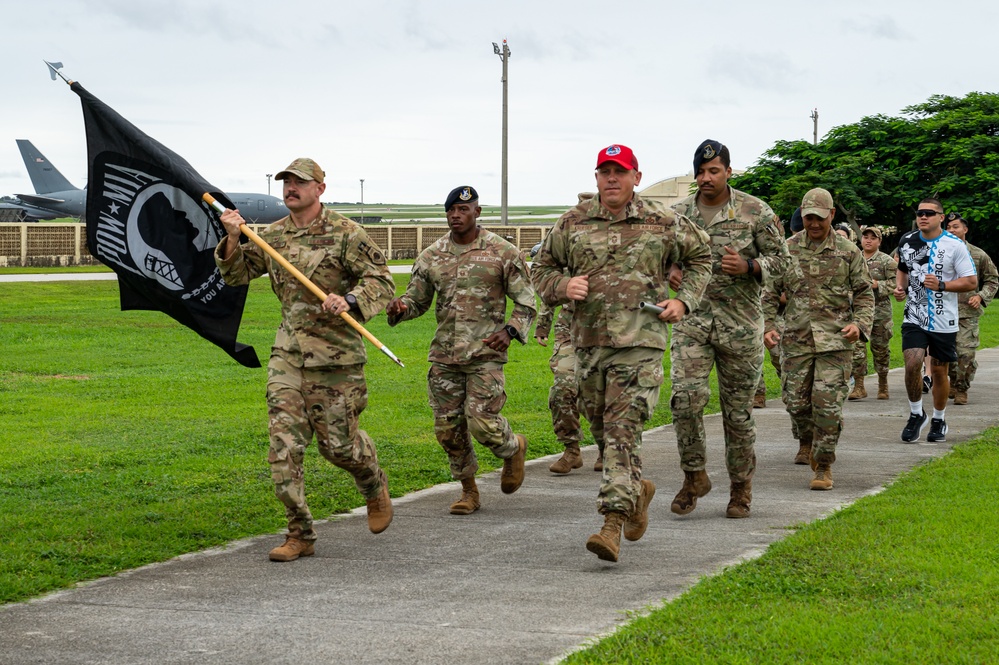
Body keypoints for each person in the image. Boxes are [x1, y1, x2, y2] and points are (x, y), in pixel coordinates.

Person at [533, 144, 713, 563]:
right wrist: (562, 287)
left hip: (641, 343)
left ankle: (611, 523)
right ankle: (639, 490)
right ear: (596, 178)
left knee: (620, 432)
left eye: (620, 171)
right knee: (601, 427)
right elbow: (540, 267)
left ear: (636, 176)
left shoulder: (661, 220)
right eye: (604, 172)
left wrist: (683, 300)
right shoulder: (572, 222)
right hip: (589, 344)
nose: (611, 179)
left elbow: (702, 257)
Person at [215, 158, 395, 562]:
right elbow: (236, 274)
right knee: (283, 446)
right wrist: (231, 237)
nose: (291, 187)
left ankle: (373, 482)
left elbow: (381, 280)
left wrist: (349, 299)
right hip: (289, 355)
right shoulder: (272, 236)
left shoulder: (347, 233)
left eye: (300, 182)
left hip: (336, 358)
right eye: (287, 182)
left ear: (320, 189)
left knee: (339, 448)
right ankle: (300, 534)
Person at [386, 185, 535, 515]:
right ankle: (469, 491)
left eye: (463, 209)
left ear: (477, 212)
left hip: (484, 353)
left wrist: (510, 331)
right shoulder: (432, 256)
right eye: (451, 210)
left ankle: (512, 448)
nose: (456, 215)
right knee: (448, 429)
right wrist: (400, 307)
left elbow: (527, 301)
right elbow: (417, 301)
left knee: (482, 423)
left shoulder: (502, 251)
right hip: (445, 355)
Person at [668, 140, 790, 519]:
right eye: (700, 172)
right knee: (685, 401)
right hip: (693, 322)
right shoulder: (679, 215)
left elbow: (785, 263)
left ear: (728, 171)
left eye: (714, 171)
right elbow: (661, 259)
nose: (706, 178)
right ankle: (694, 476)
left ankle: (740, 489)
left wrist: (752, 267)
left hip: (740, 326)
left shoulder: (755, 211)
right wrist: (668, 271)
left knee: (737, 414)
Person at [764, 188, 873, 490]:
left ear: (832, 215)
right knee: (796, 404)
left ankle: (824, 465)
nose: (813, 224)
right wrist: (768, 325)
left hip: (836, 343)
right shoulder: (787, 250)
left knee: (826, 406)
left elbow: (865, 294)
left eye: (820, 218)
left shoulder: (849, 251)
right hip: (796, 340)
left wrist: (859, 325)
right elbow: (769, 293)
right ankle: (806, 439)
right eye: (808, 217)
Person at [894, 198, 977, 443]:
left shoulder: (955, 245)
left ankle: (939, 418)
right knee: (912, 363)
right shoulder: (907, 241)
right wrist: (900, 288)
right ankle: (916, 413)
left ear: (941, 218)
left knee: (940, 371)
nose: (923, 217)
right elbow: (903, 268)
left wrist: (942, 285)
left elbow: (971, 282)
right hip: (914, 315)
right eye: (920, 213)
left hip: (943, 318)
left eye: (929, 213)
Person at [943, 213, 997, 405]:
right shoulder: (939, 253)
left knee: (965, 353)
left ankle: (961, 388)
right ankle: (952, 381)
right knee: (946, 353)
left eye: (955, 227)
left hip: (967, 313)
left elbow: (992, 280)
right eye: (948, 227)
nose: (951, 230)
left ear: (965, 229)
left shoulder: (978, 255)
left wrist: (980, 296)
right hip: (943, 311)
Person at [533, 285, 586, 474]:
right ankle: (571, 449)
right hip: (570, 329)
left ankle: (607, 449)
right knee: (562, 389)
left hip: (610, 332)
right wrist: (543, 325)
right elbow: (551, 286)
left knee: (602, 391)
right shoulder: (566, 255)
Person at [848, 226, 898, 400]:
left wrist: (879, 285)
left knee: (880, 349)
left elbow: (897, 283)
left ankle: (883, 384)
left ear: (879, 241)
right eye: (865, 237)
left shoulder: (887, 261)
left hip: (880, 312)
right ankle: (859, 386)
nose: (868, 240)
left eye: (873, 237)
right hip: (858, 312)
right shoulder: (854, 258)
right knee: (857, 349)